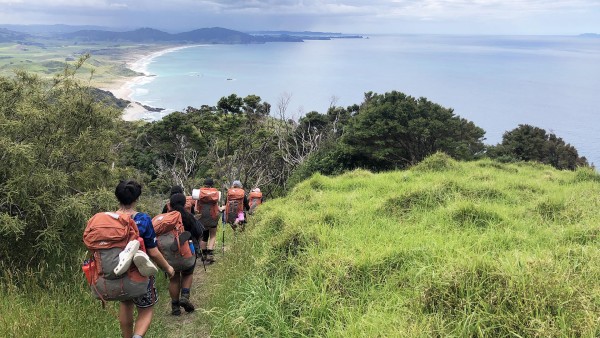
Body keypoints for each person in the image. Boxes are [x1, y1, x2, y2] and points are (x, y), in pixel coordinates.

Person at [114, 180, 175, 338]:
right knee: (146, 309)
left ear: (117, 198)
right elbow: (153, 252)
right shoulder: (143, 219)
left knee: (125, 303)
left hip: (117, 272)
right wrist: (168, 268)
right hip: (140, 274)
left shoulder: (110, 220)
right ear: (136, 199)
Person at [168, 192, 203, 316]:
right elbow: (199, 232)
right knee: (187, 273)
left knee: (174, 278)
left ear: (170, 204)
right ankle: (185, 296)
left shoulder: (166, 218)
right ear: (184, 203)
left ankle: (175, 306)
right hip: (187, 253)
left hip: (170, 255)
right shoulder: (188, 216)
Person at [196, 178, 223, 264]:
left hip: (202, 217)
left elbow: (196, 207)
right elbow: (218, 207)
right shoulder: (215, 193)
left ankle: (203, 254)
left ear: (204, 184)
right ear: (212, 185)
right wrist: (222, 208)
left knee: (204, 236)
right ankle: (210, 254)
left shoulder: (199, 193)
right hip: (213, 216)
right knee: (213, 235)